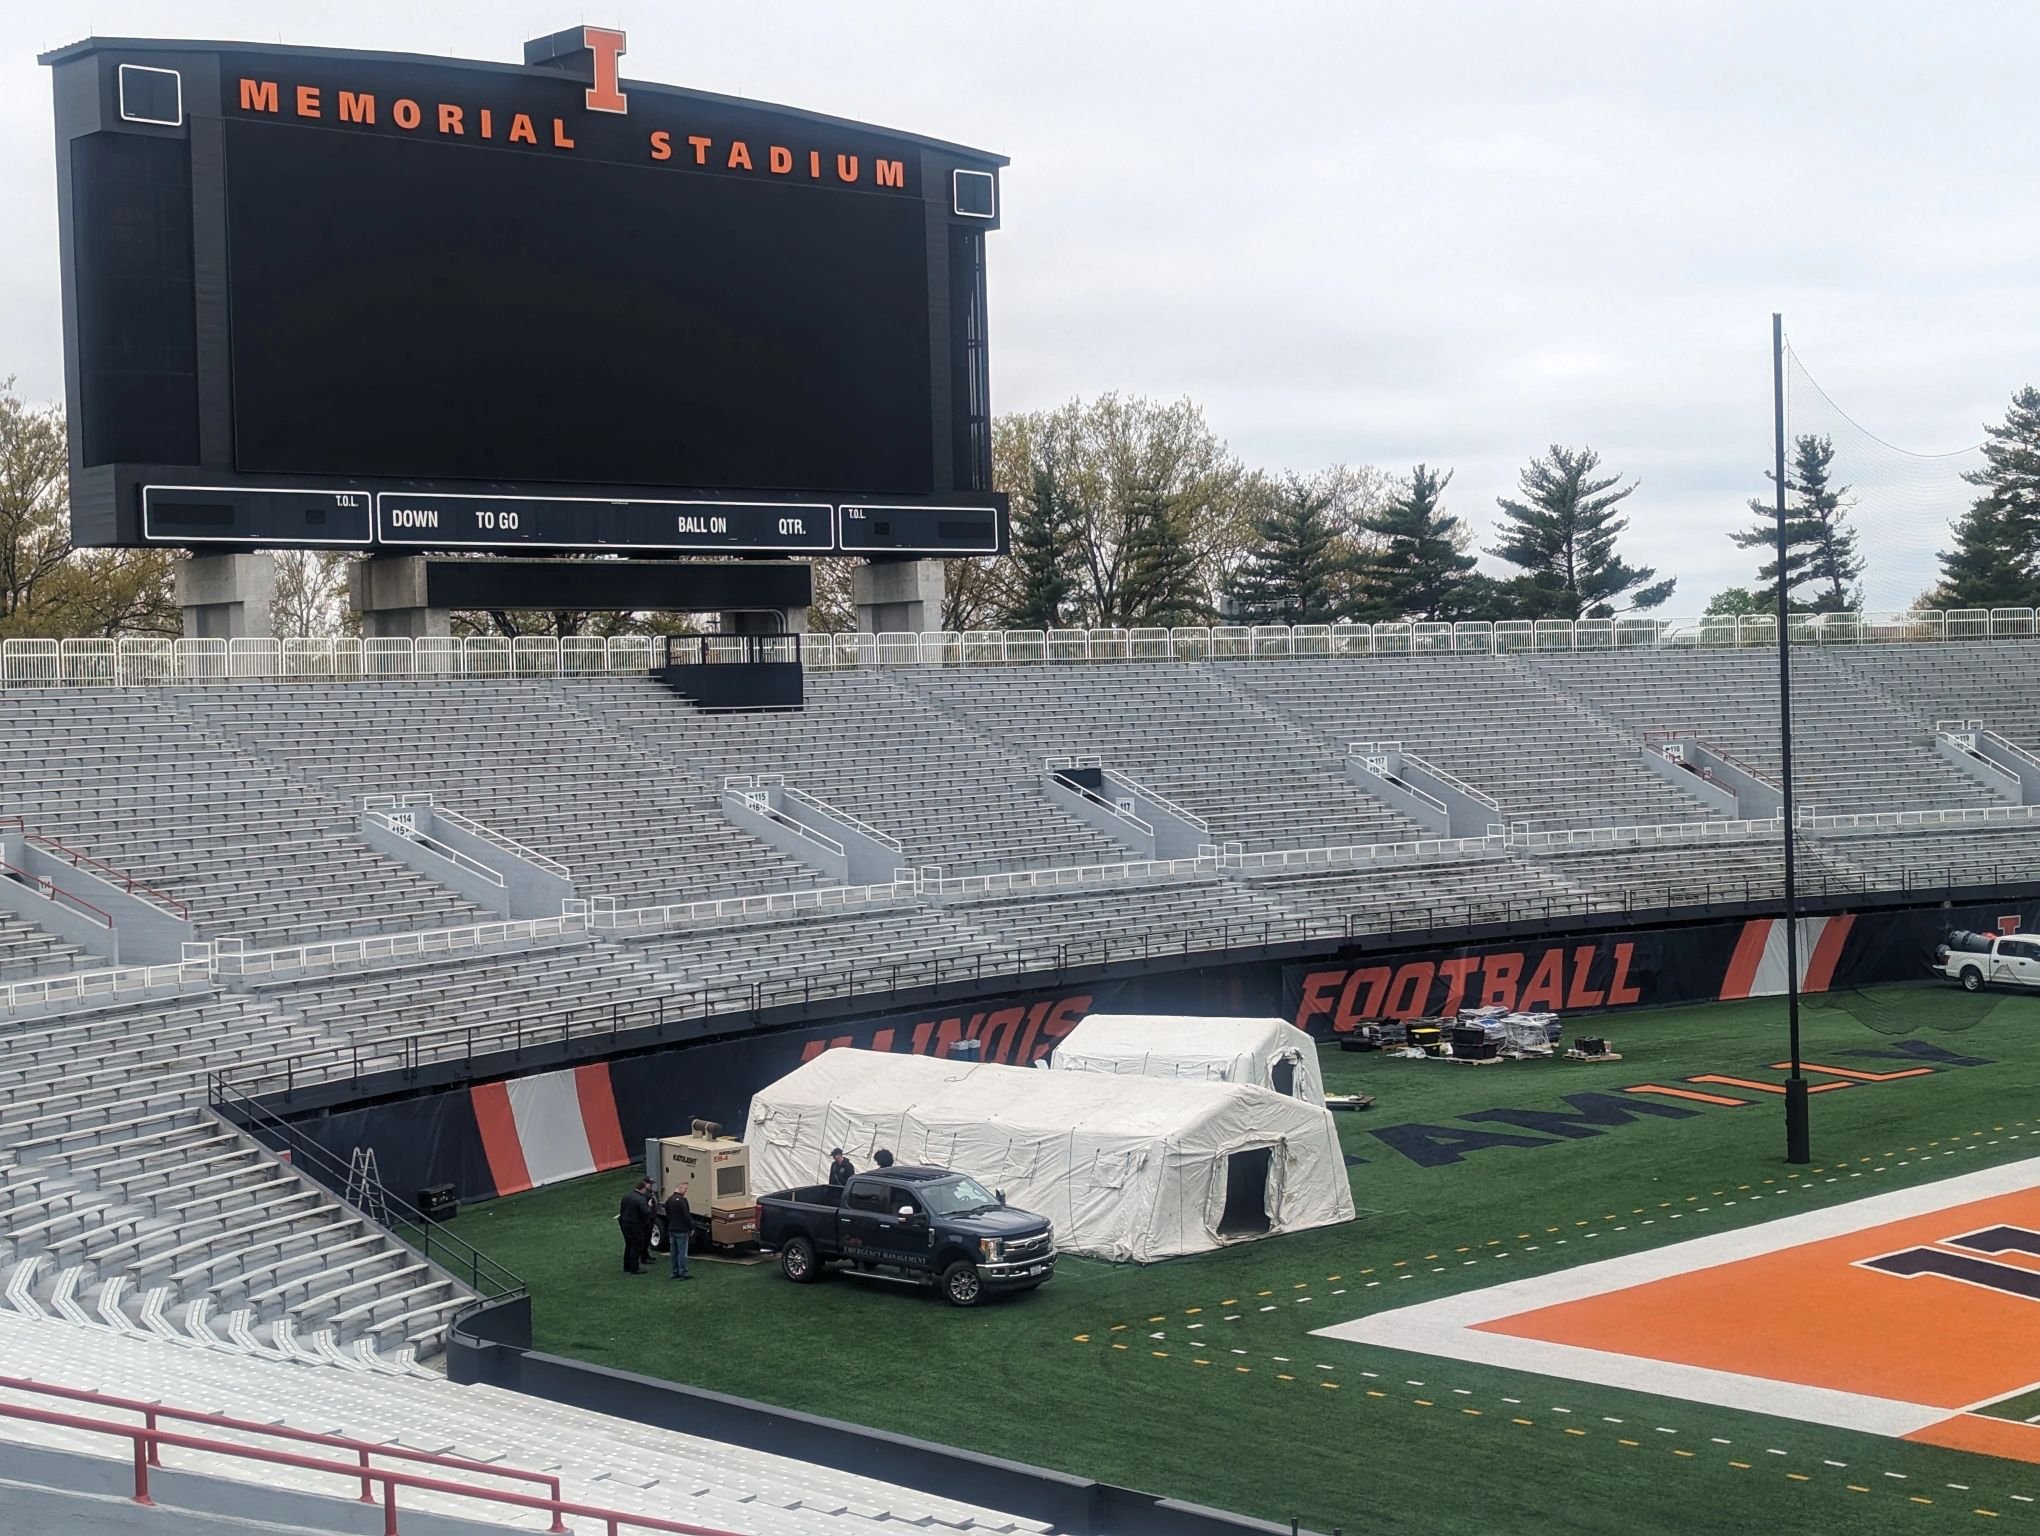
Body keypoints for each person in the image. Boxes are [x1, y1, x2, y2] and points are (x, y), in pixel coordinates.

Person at [618, 1178, 654, 1274]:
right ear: (642, 1189)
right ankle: (634, 1267)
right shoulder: (640, 1199)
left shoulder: (627, 1196)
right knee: (636, 1245)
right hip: (635, 1225)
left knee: (628, 1245)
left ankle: (627, 1266)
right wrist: (649, 1205)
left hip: (625, 1223)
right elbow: (646, 1212)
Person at [664, 1183, 694, 1279]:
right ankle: (683, 1272)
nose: (686, 1191)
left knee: (674, 1252)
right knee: (682, 1252)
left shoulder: (669, 1200)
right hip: (682, 1230)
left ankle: (675, 1272)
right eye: (685, 1189)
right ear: (679, 1188)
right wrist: (691, 1227)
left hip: (672, 1228)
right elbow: (686, 1216)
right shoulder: (683, 1200)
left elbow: (667, 1214)